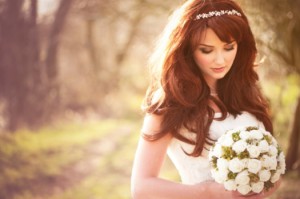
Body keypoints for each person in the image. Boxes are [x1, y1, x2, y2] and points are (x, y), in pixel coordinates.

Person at [131, 0, 281, 198]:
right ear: (187, 49)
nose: (220, 60)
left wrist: (264, 184)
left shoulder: (249, 93)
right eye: (207, 50)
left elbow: (276, 176)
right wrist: (207, 192)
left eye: (229, 47)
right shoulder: (170, 105)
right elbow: (141, 188)